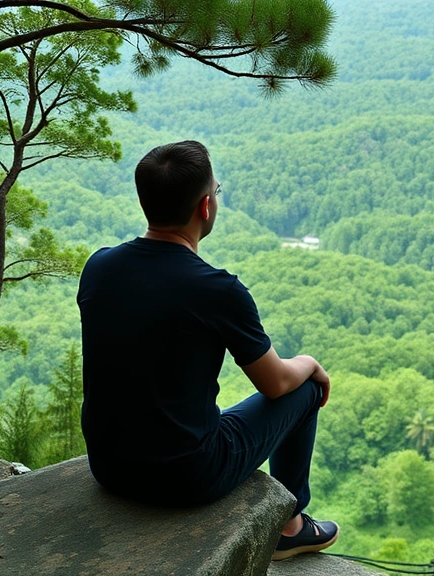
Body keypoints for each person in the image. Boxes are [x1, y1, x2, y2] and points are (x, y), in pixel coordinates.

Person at [77, 140, 338, 560]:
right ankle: (289, 525)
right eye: (216, 192)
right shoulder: (218, 289)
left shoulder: (99, 267)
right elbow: (276, 385)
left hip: (109, 467)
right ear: (205, 207)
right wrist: (310, 364)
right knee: (304, 391)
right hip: (187, 477)